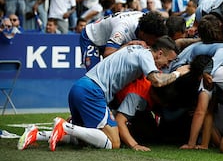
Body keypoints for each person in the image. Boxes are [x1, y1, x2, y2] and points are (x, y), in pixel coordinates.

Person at [20, 36, 189, 151]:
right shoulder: (145, 55)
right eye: (168, 61)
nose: (167, 65)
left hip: (80, 86)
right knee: (113, 142)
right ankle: (65, 126)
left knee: (83, 139)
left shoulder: (136, 47)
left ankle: (37, 134)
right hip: (92, 91)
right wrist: (179, 72)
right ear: (159, 53)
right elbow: (157, 81)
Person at [80, 11, 167, 71]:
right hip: (92, 37)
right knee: (94, 74)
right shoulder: (122, 29)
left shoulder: (148, 22)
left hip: (110, 36)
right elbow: (108, 55)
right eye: (153, 40)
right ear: (143, 33)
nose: (154, 43)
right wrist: (129, 44)